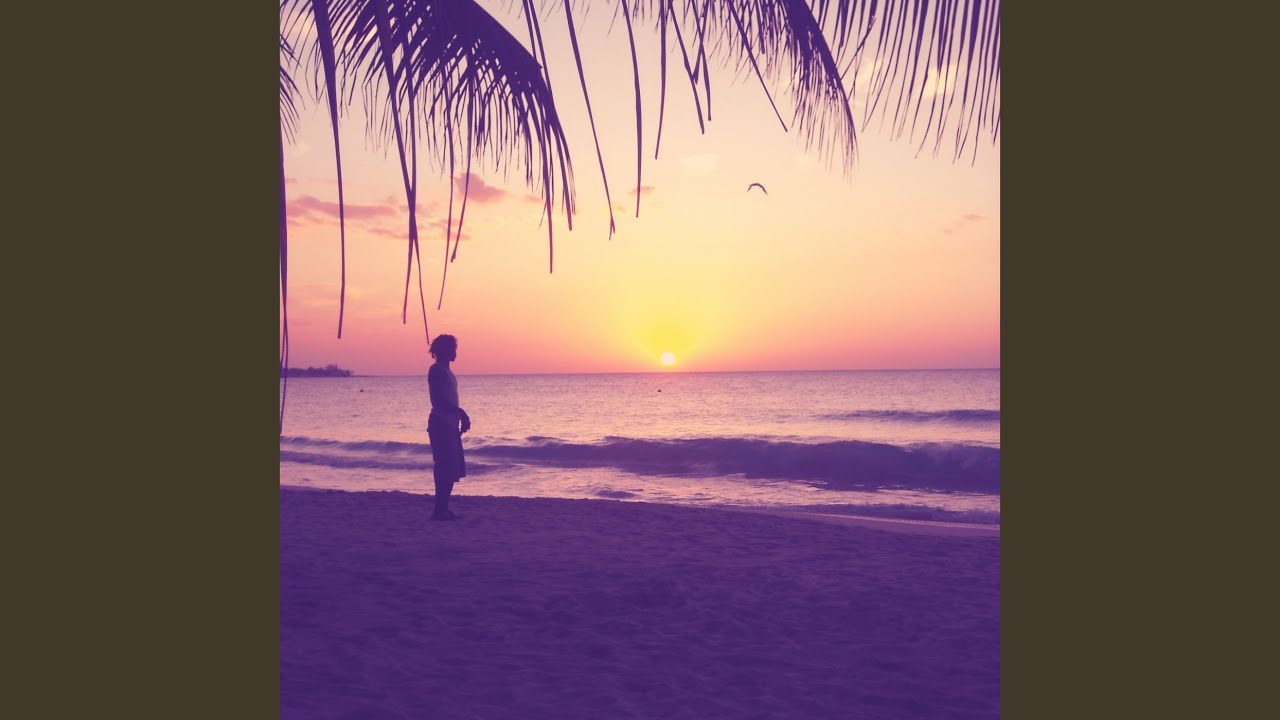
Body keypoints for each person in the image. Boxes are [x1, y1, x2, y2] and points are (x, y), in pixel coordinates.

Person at [426, 334, 470, 520]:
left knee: (451, 468)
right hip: (440, 424)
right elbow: (439, 400)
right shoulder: (436, 370)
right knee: (444, 467)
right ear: (443, 350)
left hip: (450, 424)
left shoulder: (447, 371)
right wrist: (460, 412)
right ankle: (439, 510)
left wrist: (458, 415)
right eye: (451, 348)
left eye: (454, 348)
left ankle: (442, 508)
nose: (454, 352)